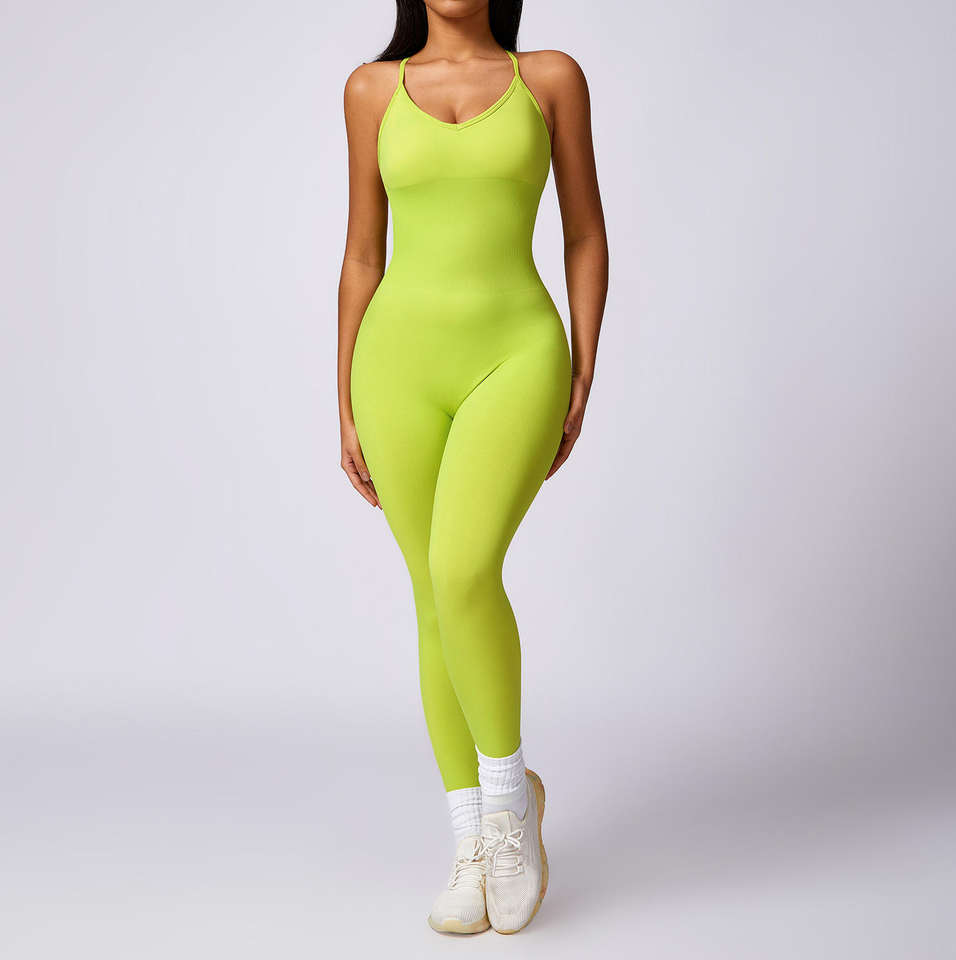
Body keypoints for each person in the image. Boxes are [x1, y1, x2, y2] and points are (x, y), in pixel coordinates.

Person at [337, 0, 607, 935]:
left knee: (464, 570)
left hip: (516, 352)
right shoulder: (371, 90)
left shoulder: (550, 79)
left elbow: (584, 232)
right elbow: (362, 252)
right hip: (395, 365)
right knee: (430, 593)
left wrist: (582, 367)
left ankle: (509, 807)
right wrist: (343, 399)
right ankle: (469, 839)